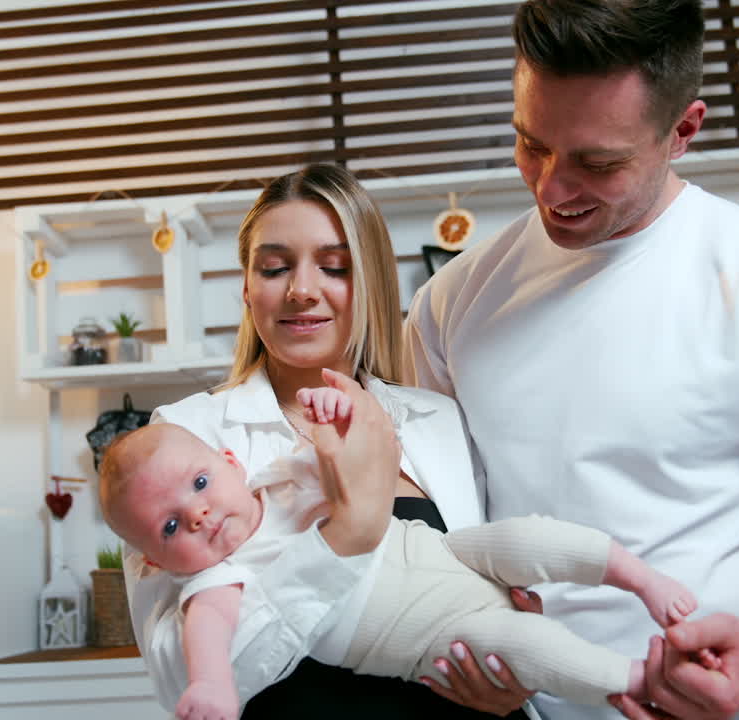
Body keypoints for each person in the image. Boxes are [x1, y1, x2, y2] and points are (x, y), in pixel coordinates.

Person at [405, 2, 739, 719]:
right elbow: (433, 529)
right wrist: (463, 632)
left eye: (598, 163)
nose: (550, 189)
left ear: (683, 130)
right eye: (531, 144)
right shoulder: (450, 303)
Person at [123, 163, 538, 719]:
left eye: (334, 266)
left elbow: (491, 593)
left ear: (367, 282)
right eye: (274, 268)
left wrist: (515, 672)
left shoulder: (437, 421)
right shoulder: (182, 438)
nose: (301, 290)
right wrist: (345, 538)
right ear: (247, 288)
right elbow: (180, 680)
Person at [101, 386, 705, 720]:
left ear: (232, 466)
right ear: (152, 559)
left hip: (451, 557)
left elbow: (338, 461)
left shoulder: (282, 479)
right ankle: (633, 682)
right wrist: (213, 689)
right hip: (433, 638)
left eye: (202, 487)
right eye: (173, 525)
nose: (200, 514)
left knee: (527, 538)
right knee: (527, 646)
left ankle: (637, 576)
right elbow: (199, 650)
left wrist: (338, 421)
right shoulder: (216, 580)